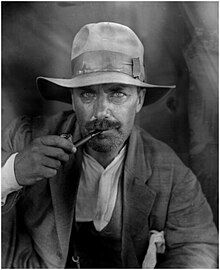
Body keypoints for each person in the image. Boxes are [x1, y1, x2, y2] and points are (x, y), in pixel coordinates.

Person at [1, 22, 218, 268]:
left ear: (139, 99)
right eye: (87, 94)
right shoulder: (24, 139)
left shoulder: (170, 173)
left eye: (117, 93)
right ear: (72, 99)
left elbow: (198, 246)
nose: (101, 111)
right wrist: (12, 173)